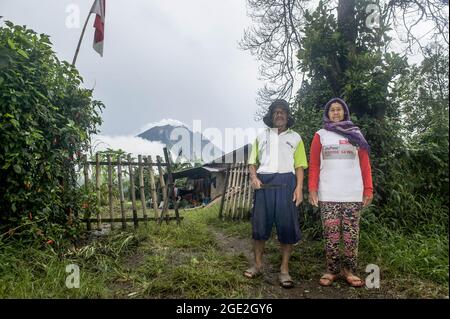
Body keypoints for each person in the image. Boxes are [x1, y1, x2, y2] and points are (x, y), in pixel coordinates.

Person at [308, 97, 373, 288]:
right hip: (328, 193)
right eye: (332, 110)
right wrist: (312, 189)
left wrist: (368, 188)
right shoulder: (320, 135)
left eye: (339, 109)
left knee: (351, 234)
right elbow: (314, 164)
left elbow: (365, 164)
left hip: (353, 192)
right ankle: (332, 270)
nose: (335, 113)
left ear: (345, 112)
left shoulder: (356, 134)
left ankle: (349, 270)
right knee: (331, 234)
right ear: (327, 114)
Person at [244, 99, 308, 289]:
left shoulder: (295, 137)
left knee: (287, 226)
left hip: (286, 184)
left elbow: (299, 166)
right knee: (260, 225)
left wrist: (298, 188)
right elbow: (252, 162)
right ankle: (257, 265)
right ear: (271, 116)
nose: (279, 115)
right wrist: (254, 178)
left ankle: (284, 269)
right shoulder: (261, 136)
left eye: (283, 112)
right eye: (276, 112)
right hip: (264, 184)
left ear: (287, 116)